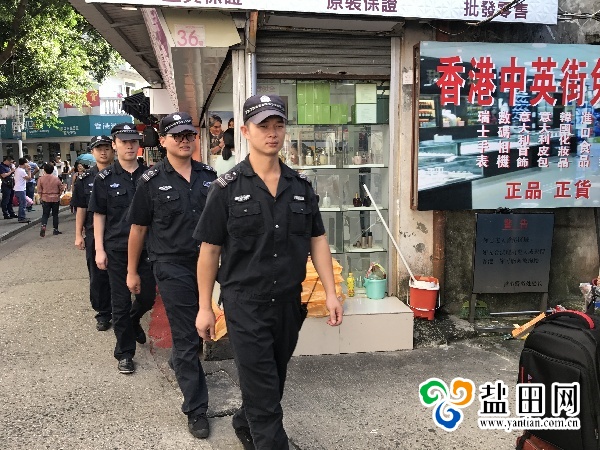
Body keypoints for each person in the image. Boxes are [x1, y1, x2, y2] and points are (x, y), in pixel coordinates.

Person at [194, 94, 344, 449]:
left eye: (278, 125)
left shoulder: (300, 188)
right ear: (246, 131)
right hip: (245, 304)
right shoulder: (226, 189)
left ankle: (244, 421)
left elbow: (317, 240)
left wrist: (331, 293)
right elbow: (209, 252)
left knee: (272, 379)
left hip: (288, 304)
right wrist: (204, 307)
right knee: (265, 396)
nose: (272, 133)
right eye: (263, 126)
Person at [127, 112, 216, 439]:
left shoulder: (210, 177)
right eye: (176, 135)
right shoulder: (150, 182)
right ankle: (196, 408)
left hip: (208, 261)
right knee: (187, 333)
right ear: (162, 141)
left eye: (188, 135)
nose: (184, 140)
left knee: (204, 328)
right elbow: (138, 229)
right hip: (171, 265)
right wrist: (132, 271)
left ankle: (180, 361)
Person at [88, 123, 155, 375]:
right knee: (120, 302)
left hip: (147, 249)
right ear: (115, 145)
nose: (129, 146)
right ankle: (125, 353)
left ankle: (135, 319)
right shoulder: (104, 178)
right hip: (117, 248)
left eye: (133, 141)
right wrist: (99, 249)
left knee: (147, 297)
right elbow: (99, 215)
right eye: (124, 141)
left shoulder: (150, 175)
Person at [71, 136, 115, 331]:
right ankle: (103, 313)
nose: (103, 152)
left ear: (113, 150)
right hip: (93, 234)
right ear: (93, 152)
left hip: (119, 233)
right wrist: (78, 235)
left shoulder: (123, 174)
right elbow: (81, 208)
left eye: (106, 148)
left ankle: (122, 310)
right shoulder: (85, 179)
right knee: (98, 276)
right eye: (99, 149)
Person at [37, 163, 65, 237]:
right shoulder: (56, 178)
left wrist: (41, 196)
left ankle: (43, 225)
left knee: (45, 214)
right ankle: (55, 229)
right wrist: (59, 194)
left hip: (45, 197)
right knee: (55, 214)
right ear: (52, 170)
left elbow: (39, 189)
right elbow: (61, 187)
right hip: (55, 198)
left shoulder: (41, 179)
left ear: (44, 170)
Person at [13, 158, 32, 223]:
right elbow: (29, 178)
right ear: (24, 163)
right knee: (23, 204)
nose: (28, 164)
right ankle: (21, 218)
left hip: (18, 189)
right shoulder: (21, 171)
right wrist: (29, 171)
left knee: (22, 203)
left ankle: (22, 217)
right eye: (27, 163)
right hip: (20, 189)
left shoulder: (18, 169)